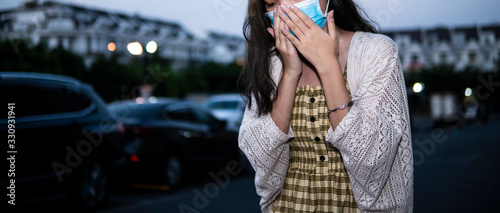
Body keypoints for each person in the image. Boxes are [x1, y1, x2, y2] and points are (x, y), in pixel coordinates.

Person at [237, 0, 413, 212]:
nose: (282, 11)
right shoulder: (271, 63)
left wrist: (327, 66)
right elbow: (260, 158)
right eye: (272, 3)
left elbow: (372, 160)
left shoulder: (376, 51)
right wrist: (290, 73)